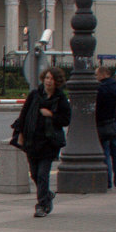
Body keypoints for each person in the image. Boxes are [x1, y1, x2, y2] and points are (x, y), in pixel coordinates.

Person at [10, 66, 72, 218]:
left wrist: (51, 114)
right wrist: (20, 135)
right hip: (32, 140)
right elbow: (24, 115)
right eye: (47, 78)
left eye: (52, 79)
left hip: (49, 143)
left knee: (43, 175)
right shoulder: (35, 95)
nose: (48, 81)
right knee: (35, 174)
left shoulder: (60, 99)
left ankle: (42, 205)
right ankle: (47, 194)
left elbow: (65, 120)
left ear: (57, 82)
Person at [95, 66, 116, 189]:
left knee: (105, 152)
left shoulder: (101, 88)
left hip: (104, 123)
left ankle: (107, 181)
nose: (96, 77)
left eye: (97, 75)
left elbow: (99, 107)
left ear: (103, 74)